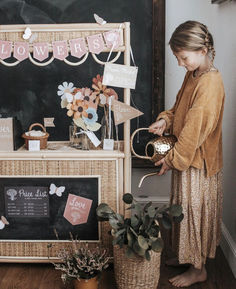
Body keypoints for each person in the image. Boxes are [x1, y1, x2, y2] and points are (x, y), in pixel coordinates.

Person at [149, 20, 225, 287]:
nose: (180, 64)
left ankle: (198, 268)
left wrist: (171, 159)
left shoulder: (210, 84)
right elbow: (179, 109)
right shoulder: (193, 75)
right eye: (177, 58)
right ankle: (187, 255)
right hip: (187, 157)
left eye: (183, 57)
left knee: (194, 214)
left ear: (202, 50)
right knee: (182, 210)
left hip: (198, 162)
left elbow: (194, 132)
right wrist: (165, 121)